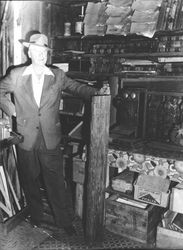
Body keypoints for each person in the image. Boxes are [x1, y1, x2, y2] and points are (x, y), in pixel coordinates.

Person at [0, 33, 110, 236]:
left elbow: (77, 87)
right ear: (29, 51)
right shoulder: (16, 75)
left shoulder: (57, 75)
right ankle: (36, 216)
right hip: (25, 137)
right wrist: (12, 111)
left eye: (45, 52)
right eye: (38, 51)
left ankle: (64, 221)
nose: (42, 55)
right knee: (30, 179)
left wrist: (98, 92)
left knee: (56, 180)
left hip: (50, 136)